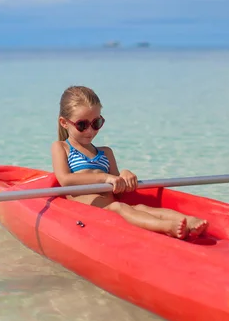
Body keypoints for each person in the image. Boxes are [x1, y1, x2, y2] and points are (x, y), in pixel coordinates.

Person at [51, 85, 208, 240]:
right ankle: (167, 227)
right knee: (120, 208)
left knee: (141, 208)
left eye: (96, 123)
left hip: (114, 207)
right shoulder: (62, 148)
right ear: (64, 123)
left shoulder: (105, 152)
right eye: (82, 125)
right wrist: (104, 178)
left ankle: (188, 221)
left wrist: (124, 176)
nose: (90, 131)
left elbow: (117, 188)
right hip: (90, 212)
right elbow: (65, 180)